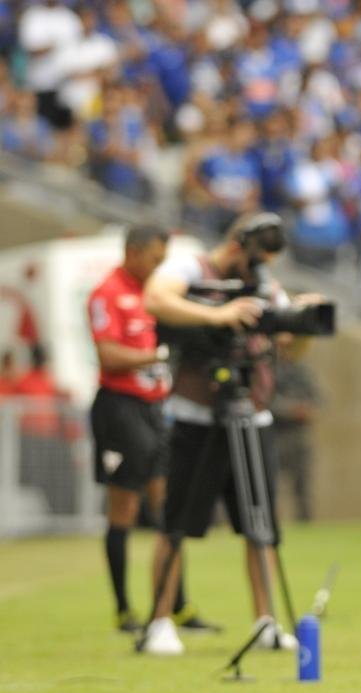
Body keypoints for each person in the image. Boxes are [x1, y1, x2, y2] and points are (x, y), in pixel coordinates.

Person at [141, 212, 313, 655]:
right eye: (256, 258)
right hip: (197, 413)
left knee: (261, 527)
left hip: (253, 412)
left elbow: (290, 348)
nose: (258, 269)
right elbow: (157, 299)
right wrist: (218, 316)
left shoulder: (263, 281)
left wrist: (299, 320)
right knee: (177, 523)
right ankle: (160, 621)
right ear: (237, 246)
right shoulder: (190, 269)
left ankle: (266, 621)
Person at [87, 224, 217, 634]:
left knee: (169, 504)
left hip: (156, 407)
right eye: (155, 258)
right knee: (124, 506)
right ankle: (124, 609)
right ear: (133, 252)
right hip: (119, 408)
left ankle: (174, 604)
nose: (160, 266)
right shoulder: (107, 293)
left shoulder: (159, 296)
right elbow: (108, 354)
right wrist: (156, 356)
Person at [270, 338, 321, 522]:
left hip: (299, 435)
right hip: (275, 433)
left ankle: (305, 523)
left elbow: (319, 398)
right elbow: (266, 399)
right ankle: (272, 522)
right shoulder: (268, 369)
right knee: (272, 484)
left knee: (303, 485)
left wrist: (307, 408)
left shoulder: (302, 370)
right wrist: (291, 410)